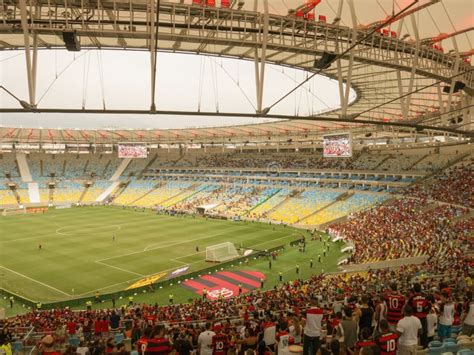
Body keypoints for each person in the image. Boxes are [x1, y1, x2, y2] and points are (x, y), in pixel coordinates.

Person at [407, 283, 431, 348]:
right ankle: (424, 349)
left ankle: (416, 349)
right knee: (424, 333)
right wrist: (425, 312)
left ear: (414, 289)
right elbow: (429, 306)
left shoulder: (412, 298)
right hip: (423, 318)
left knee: (415, 334)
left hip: (415, 319)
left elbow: (408, 308)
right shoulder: (425, 296)